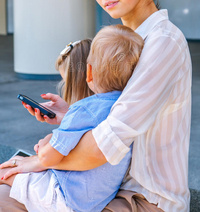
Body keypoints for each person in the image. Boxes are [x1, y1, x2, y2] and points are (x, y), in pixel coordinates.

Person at [0, 0, 192, 212]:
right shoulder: (131, 40)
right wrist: (73, 114)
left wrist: (38, 161)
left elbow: (104, 144)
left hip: (144, 198)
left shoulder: (163, 42)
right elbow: (118, 115)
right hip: (103, 184)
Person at [0, 24, 144, 212]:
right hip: (94, 201)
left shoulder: (83, 109)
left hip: (63, 197)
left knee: (4, 172)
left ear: (89, 72)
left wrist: (46, 141)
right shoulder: (124, 109)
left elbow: (48, 156)